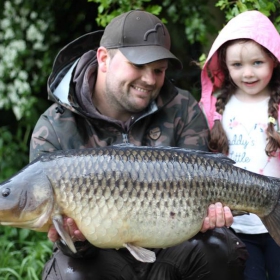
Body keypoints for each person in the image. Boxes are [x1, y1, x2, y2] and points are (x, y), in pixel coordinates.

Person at [30, 10, 247, 280]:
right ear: (104, 58)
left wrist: (209, 218)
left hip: (171, 247)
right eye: (138, 65)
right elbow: (64, 241)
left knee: (221, 248)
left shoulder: (182, 109)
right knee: (67, 274)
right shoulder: (54, 128)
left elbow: (205, 186)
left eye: (158, 70)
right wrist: (76, 239)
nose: (149, 80)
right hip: (99, 258)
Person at [199, 10, 280, 280]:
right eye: (237, 65)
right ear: (224, 65)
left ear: (273, 59)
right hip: (236, 226)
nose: (248, 73)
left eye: (257, 62)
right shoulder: (215, 106)